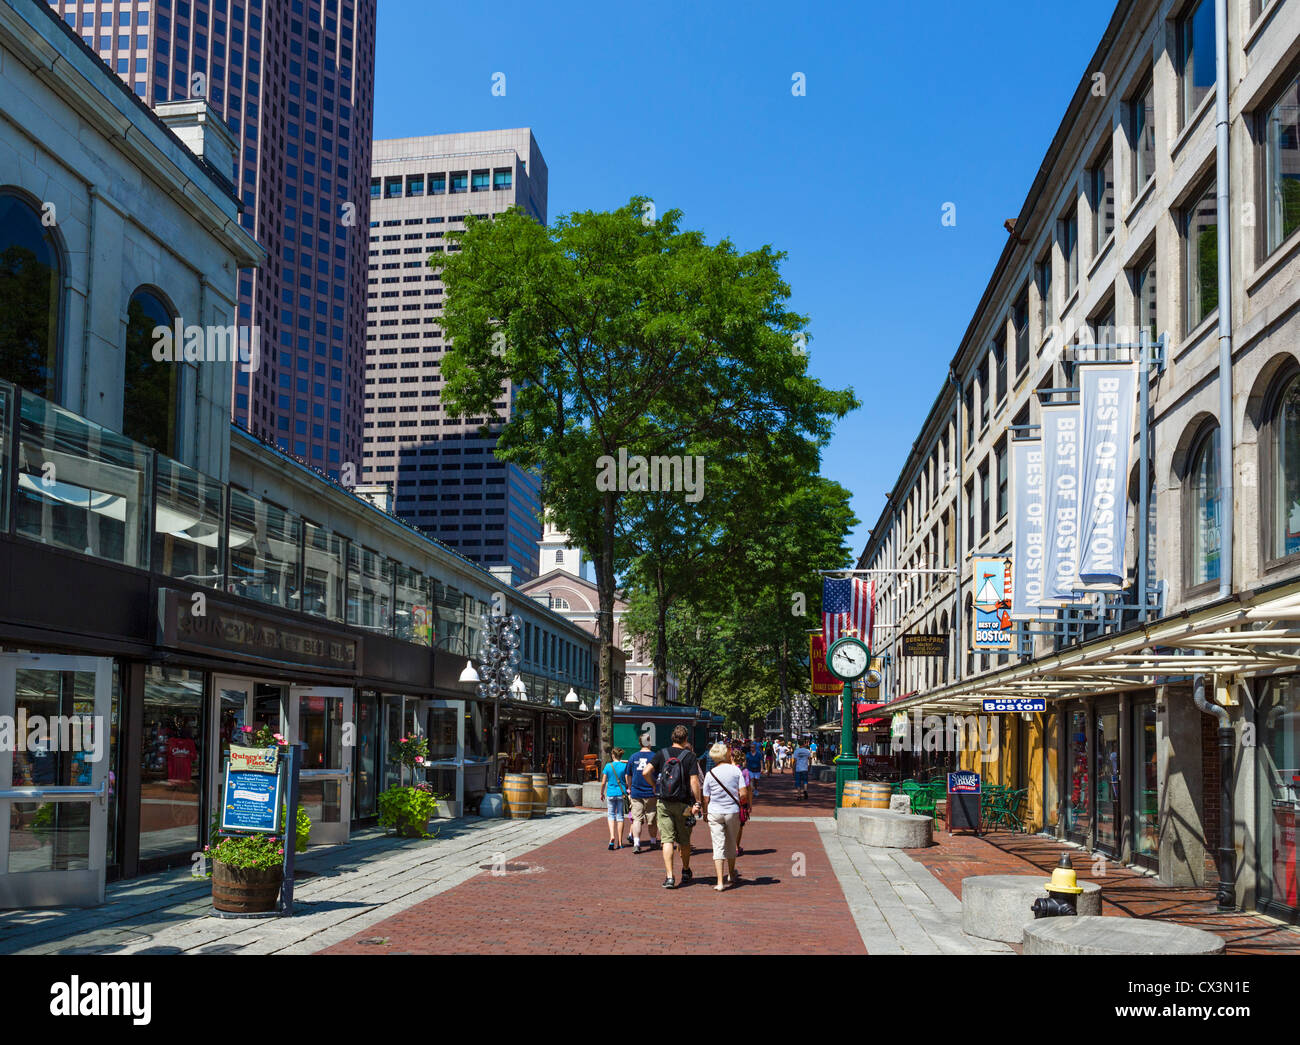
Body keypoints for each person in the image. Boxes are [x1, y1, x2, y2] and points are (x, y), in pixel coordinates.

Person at [642, 725, 705, 889]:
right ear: (686, 740)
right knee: (684, 840)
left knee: (667, 840)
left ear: (672, 738)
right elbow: (694, 781)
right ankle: (685, 870)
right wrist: (698, 802)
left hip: (664, 802)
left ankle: (670, 877)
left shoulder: (661, 754)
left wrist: (654, 786)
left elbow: (646, 772)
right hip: (684, 804)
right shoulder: (690, 756)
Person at [701, 742, 748, 891]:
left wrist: (705, 813)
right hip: (731, 811)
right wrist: (742, 803)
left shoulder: (710, 774)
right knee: (731, 842)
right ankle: (731, 874)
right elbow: (744, 793)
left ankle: (720, 881)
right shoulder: (736, 771)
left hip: (715, 811)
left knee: (718, 846)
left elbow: (706, 798)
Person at [624, 739, 659, 853]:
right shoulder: (655, 756)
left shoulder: (633, 757)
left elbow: (628, 775)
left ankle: (637, 843)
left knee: (637, 819)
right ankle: (653, 841)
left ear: (639, 743)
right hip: (651, 792)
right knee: (652, 819)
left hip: (636, 792)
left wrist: (629, 787)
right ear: (649, 743)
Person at [600, 747, 630, 850]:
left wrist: (601, 793)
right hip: (621, 794)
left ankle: (612, 836)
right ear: (621, 756)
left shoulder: (608, 766)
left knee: (611, 815)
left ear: (613, 755)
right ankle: (620, 842)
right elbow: (627, 781)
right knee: (620, 817)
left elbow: (603, 782)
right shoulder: (624, 766)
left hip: (610, 793)